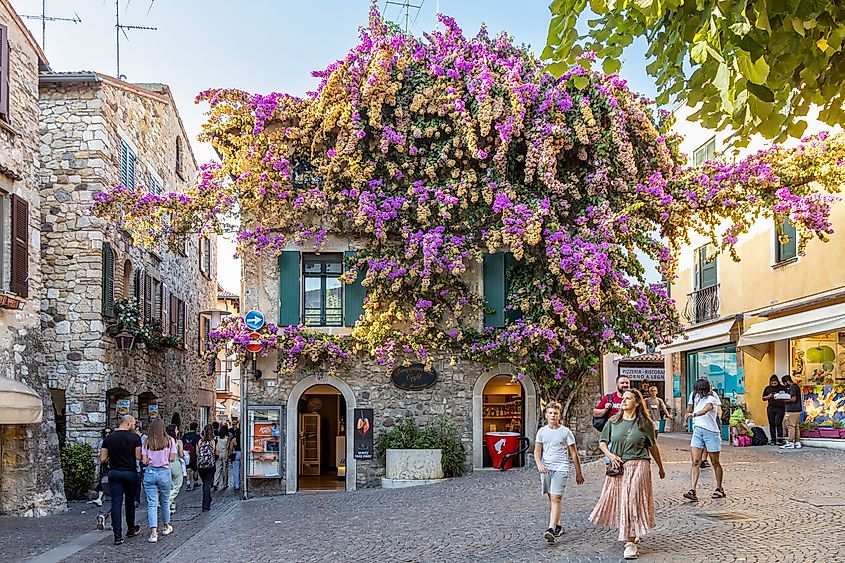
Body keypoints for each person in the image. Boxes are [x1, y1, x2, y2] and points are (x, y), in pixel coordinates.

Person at [589, 389, 665, 560]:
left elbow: (653, 447)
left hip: (639, 464)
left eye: (628, 399)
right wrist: (610, 455)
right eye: (623, 398)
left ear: (637, 402)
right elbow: (602, 441)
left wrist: (660, 467)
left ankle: (630, 543)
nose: (623, 401)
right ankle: (632, 530)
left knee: (631, 499)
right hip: (618, 466)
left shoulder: (645, 424)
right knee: (623, 500)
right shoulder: (613, 421)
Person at [533, 402, 584, 544]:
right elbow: (537, 451)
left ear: (559, 415)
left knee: (556, 498)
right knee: (551, 498)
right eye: (550, 413)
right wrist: (539, 464)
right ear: (546, 415)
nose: (553, 416)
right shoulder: (542, 431)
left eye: (555, 413)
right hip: (546, 468)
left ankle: (550, 529)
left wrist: (578, 472)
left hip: (561, 467)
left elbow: (574, 453)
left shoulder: (566, 432)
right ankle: (558, 525)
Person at [100, 415, 142, 545]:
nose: (134, 426)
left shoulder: (109, 438)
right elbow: (139, 457)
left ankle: (117, 536)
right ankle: (130, 528)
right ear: (129, 423)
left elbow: (102, 458)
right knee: (130, 502)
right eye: (134, 423)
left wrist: (112, 458)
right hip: (130, 472)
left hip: (114, 472)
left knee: (116, 503)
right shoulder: (135, 438)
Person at [683, 378, 725, 502]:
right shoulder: (696, 397)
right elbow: (691, 408)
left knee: (715, 462)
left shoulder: (712, 399)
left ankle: (719, 488)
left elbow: (705, 410)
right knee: (696, 461)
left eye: (700, 390)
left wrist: (693, 415)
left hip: (711, 432)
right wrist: (688, 415)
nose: (698, 392)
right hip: (697, 431)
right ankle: (692, 490)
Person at [141, 419, 176, 543]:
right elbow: (172, 458)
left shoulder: (146, 442)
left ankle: (154, 533)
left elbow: (144, 461)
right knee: (165, 502)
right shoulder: (170, 441)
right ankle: (166, 527)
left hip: (150, 472)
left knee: (152, 503)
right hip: (164, 472)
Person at [93, 428, 112, 531]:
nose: (107, 435)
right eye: (106, 433)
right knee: (114, 499)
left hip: (105, 475)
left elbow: (100, 458)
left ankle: (102, 516)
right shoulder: (111, 445)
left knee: (110, 498)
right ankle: (104, 516)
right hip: (111, 474)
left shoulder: (103, 444)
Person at [196, 424, 218, 512]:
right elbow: (217, 453)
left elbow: (197, 453)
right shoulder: (213, 441)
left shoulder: (199, 441)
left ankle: (208, 499)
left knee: (205, 483)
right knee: (207, 484)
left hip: (201, 466)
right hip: (210, 466)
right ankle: (205, 505)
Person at [762, 374, 787, 446]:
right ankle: (773, 439)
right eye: (772, 383)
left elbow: (787, 396)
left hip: (780, 407)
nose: (773, 384)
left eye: (775, 383)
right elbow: (763, 398)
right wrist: (769, 396)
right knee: (771, 423)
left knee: (778, 422)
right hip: (771, 407)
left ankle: (780, 438)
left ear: (778, 382)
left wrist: (779, 396)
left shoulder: (782, 388)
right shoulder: (767, 388)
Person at [165, 424, 185, 513]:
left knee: (170, 485)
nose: (178, 431)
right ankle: (168, 501)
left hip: (166, 464)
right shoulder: (178, 442)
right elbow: (180, 454)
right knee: (178, 484)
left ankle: (172, 506)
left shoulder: (165, 441)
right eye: (177, 429)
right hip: (175, 462)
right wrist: (184, 454)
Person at [780, 375, 803, 449]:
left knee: (790, 426)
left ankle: (790, 442)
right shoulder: (796, 386)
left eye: (784, 383)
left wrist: (783, 400)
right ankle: (797, 442)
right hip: (797, 410)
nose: (784, 384)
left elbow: (793, 399)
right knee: (796, 426)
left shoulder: (792, 387)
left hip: (792, 410)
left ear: (787, 381)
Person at [182, 422, 201, 490]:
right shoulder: (197, 437)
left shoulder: (185, 436)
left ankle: (188, 484)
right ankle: (195, 482)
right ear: (196, 428)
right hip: (194, 456)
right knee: (195, 469)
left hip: (186, 455)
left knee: (188, 469)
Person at [213, 424, 230, 491]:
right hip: (225, 454)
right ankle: (225, 483)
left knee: (217, 469)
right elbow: (228, 447)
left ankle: (215, 483)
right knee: (225, 469)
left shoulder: (216, 438)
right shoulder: (227, 438)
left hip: (218, 454)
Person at [230, 424, 242, 491]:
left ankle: (236, 484)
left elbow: (231, 448)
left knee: (235, 470)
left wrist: (230, 455)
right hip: (242, 453)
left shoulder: (234, 439)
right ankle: (241, 482)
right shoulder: (243, 438)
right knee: (242, 469)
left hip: (236, 453)